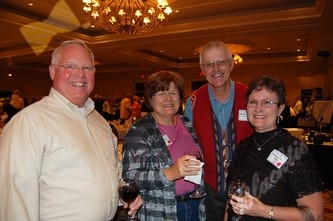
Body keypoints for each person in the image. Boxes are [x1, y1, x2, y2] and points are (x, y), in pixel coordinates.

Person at [0, 39, 142, 220]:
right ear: (52, 71)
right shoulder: (29, 122)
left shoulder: (99, 121)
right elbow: (15, 202)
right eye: (70, 66)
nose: (80, 74)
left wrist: (125, 193)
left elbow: (110, 169)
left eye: (87, 68)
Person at [225, 75, 324, 221]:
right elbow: (231, 202)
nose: (258, 108)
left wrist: (263, 211)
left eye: (267, 102)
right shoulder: (243, 147)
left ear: (280, 108)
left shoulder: (294, 150)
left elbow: (314, 214)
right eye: (253, 102)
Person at [122, 70, 205, 221]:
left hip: (195, 205)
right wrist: (169, 173)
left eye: (173, 92)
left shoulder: (186, 123)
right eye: (161, 93)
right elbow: (131, 178)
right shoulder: (140, 130)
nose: (168, 98)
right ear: (150, 99)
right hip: (160, 212)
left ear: (180, 97)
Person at [184, 40, 253, 220]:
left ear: (231, 64)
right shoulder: (193, 102)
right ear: (202, 68)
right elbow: (189, 145)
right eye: (209, 64)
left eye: (221, 62)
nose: (216, 69)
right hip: (209, 188)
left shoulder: (249, 97)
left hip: (248, 187)